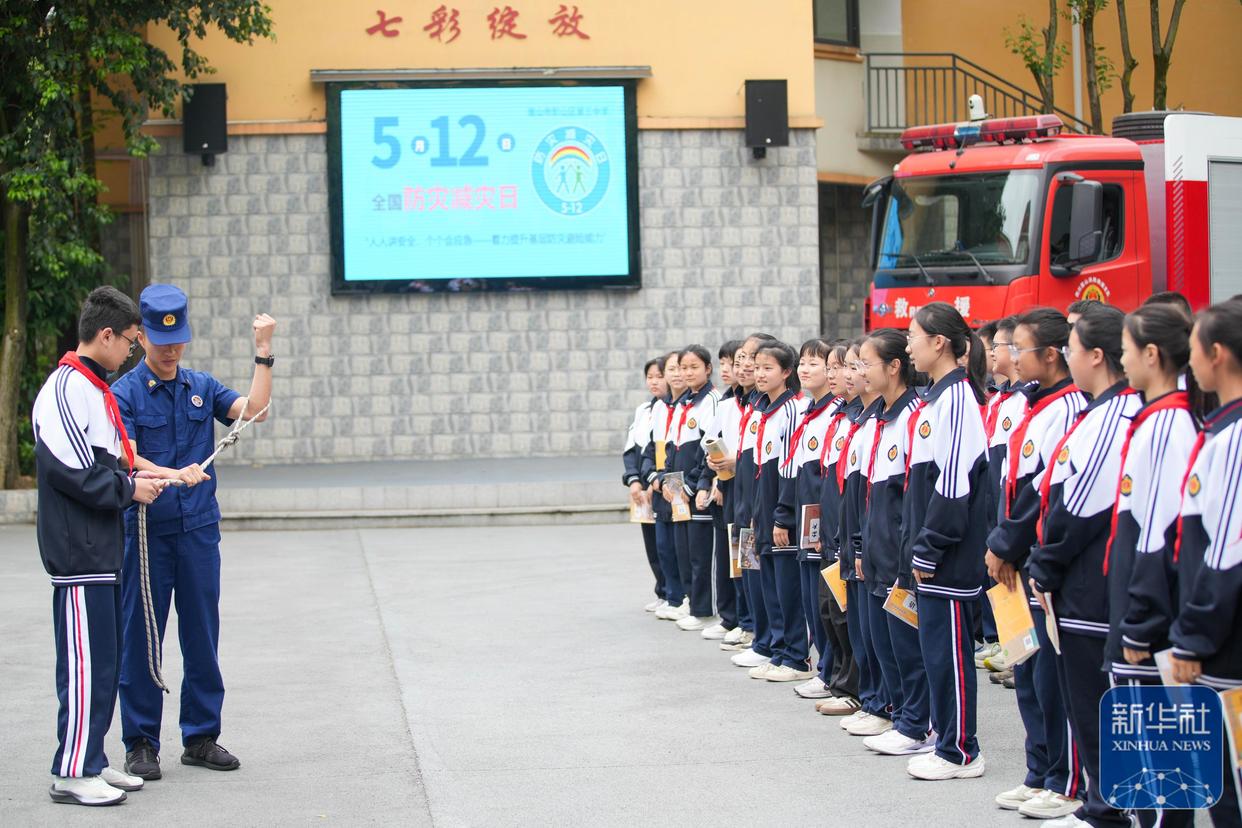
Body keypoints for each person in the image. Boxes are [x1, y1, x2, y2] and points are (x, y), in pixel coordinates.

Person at [111, 284, 274, 780]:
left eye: (178, 340)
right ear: (142, 338)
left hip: (199, 530)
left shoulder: (200, 385)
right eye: (162, 343)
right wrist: (173, 473)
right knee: (143, 635)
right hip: (146, 534)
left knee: (202, 633)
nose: (171, 351)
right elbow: (127, 455)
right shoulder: (125, 392)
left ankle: (201, 736)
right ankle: (141, 743)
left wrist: (263, 352)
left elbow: (256, 409)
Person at [33, 286, 166, 805]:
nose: (132, 352)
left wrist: (138, 478)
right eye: (131, 342)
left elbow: (106, 465)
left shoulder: (92, 389)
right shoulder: (66, 387)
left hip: (101, 549)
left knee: (104, 661)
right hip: (78, 553)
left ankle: (92, 759)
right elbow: (72, 473)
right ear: (106, 335)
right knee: (85, 666)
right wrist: (130, 488)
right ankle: (71, 771)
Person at [1026, 304, 1142, 828]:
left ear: (1097, 356)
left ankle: (1109, 808)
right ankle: (1103, 803)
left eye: (1070, 349)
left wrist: (1045, 564)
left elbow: (1080, 507)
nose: (1066, 357)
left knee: (1097, 702)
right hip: (1081, 579)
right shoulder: (1099, 411)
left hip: (1090, 581)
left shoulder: (1114, 414)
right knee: (1086, 700)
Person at [986, 307, 1087, 819]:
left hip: (1034, 557)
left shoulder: (1067, 407)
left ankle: (1065, 780)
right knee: (1025, 666)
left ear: (1051, 354)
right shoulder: (1030, 402)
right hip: (1015, 559)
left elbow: (1043, 492)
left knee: (1050, 675)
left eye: (1018, 347)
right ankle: (1039, 769)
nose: (1010, 355)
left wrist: (1008, 543)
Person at [903, 302, 990, 781]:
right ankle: (946, 740)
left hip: (948, 553)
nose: (908, 346)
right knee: (936, 650)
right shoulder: (936, 398)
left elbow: (954, 484)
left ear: (939, 342)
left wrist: (930, 544)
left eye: (913, 336)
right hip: (933, 548)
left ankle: (961, 751)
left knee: (951, 652)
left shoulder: (957, 398)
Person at [1170, 297, 1242, 828]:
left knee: (1229, 784)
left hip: (1227, 642)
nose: (1188, 361)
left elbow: (1226, 552)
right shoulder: (1220, 429)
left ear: (1216, 354)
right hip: (1221, 635)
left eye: (1193, 349)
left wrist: (1194, 637)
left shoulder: (1233, 437)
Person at [854, 330, 928, 756]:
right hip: (877, 551)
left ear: (895, 366)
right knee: (884, 643)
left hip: (902, 556)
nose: (860, 371)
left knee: (908, 646)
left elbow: (911, 498)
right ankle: (903, 716)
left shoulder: (915, 416)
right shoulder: (878, 418)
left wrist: (906, 557)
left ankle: (919, 724)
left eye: (866, 363)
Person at [779, 338, 843, 699]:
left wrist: (821, 528)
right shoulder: (809, 412)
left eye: (815, 363)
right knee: (811, 601)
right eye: (803, 362)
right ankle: (825, 668)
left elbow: (824, 481)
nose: (806, 369)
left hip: (821, 525)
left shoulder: (833, 413)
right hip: (807, 520)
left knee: (825, 605)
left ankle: (831, 670)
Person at [748, 341, 812, 683]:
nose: (759, 374)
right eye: (757, 367)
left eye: (767, 368)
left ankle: (796, 657)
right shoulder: (765, 411)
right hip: (765, 511)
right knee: (771, 586)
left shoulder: (791, 411)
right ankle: (778, 652)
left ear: (787, 372)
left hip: (781, 516)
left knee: (788, 590)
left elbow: (788, 469)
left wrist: (782, 516)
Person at [813, 341, 863, 716]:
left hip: (851, 536)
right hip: (832, 532)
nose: (835, 374)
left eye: (842, 366)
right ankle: (840, 679)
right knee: (830, 611)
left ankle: (855, 689)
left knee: (849, 616)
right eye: (830, 367)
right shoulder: (839, 416)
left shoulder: (861, 418)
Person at [666, 345, 721, 632]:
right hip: (678, 490)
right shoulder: (682, 403)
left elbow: (707, 449)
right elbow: (672, 447)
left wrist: (691, 485)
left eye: (693, 367)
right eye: (683, 367)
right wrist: (671, 485)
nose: (687, 373)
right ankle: (691, 600)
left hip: (695, 489)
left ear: (708, 369)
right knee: (683, 550)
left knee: (701, 553)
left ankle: (704, 609)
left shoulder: (711, 401)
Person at [697, 341, 743, 641]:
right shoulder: (727, 403)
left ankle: (745, 622)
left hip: (741, 490)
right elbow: (710, 446)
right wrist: (711, 480)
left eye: (734, 362)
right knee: (728, 555)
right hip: (725, 487)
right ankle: (731, 618)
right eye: (726, 363)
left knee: (743, 558)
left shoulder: (751, 404)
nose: (730, 369)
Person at [623, 357, 668, 612]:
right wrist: (633, 481)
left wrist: (654, 481)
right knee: (652, 543)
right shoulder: (643, 410)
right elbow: (632, 449)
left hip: (660, 486)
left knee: (666, 544)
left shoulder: (672, 409)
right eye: (650, 377)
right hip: (642, 488)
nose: (654, 381)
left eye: (659, 376)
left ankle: (674, 594)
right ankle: (662, 591)